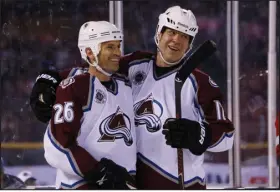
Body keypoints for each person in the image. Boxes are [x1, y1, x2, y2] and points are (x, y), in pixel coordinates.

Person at [30, 6, 234, 189]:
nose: (176, 40)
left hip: (182, 185)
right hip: (129, 182)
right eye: (171, 32)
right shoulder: (134, 65)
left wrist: (198, 134)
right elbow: (93, 69)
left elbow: (227, 136)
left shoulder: (201, 83)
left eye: (184, 36)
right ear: (159, 33)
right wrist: (50, 79)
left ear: (190, 44)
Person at [42, 21, 136, 189]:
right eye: (110, 47)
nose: (118, 53)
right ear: (90, 52)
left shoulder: (126, 85)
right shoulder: (74, 87)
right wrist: (98, 171)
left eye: (118, 46)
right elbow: (57, 147)